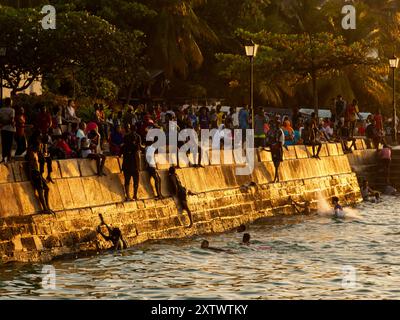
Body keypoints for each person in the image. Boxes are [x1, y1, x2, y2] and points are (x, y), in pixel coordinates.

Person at [26, 142, 55, 215]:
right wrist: (31, 178)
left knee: (47, 189)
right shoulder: (31, 153)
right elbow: (29, 166)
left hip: (38, 173)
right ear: (36, 146)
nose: (40, 148)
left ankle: (47, 206)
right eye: (40, 147)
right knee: (40, 191)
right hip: (34, 174)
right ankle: (45, 208)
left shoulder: (36, 153)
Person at [121, 125, 142, 201]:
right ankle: (135, 195)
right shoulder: (136, 145)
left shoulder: (124, 146)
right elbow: (137, 156)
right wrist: (139, 166)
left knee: (127, 181)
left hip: (126, 165)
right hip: (134, 165)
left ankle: (128, 196)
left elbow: (120, 154)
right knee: (136, 181)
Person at [0, 97, 16, 164]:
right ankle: (9, 158)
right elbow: (11, 120)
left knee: (4, 143)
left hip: (3, 128)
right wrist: (13, 123)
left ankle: (3, 158)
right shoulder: (12, 110)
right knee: (9, 144)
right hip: (10, 129)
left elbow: (0, 119)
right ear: (10, 102)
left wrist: (3, 124)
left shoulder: (1, 110)